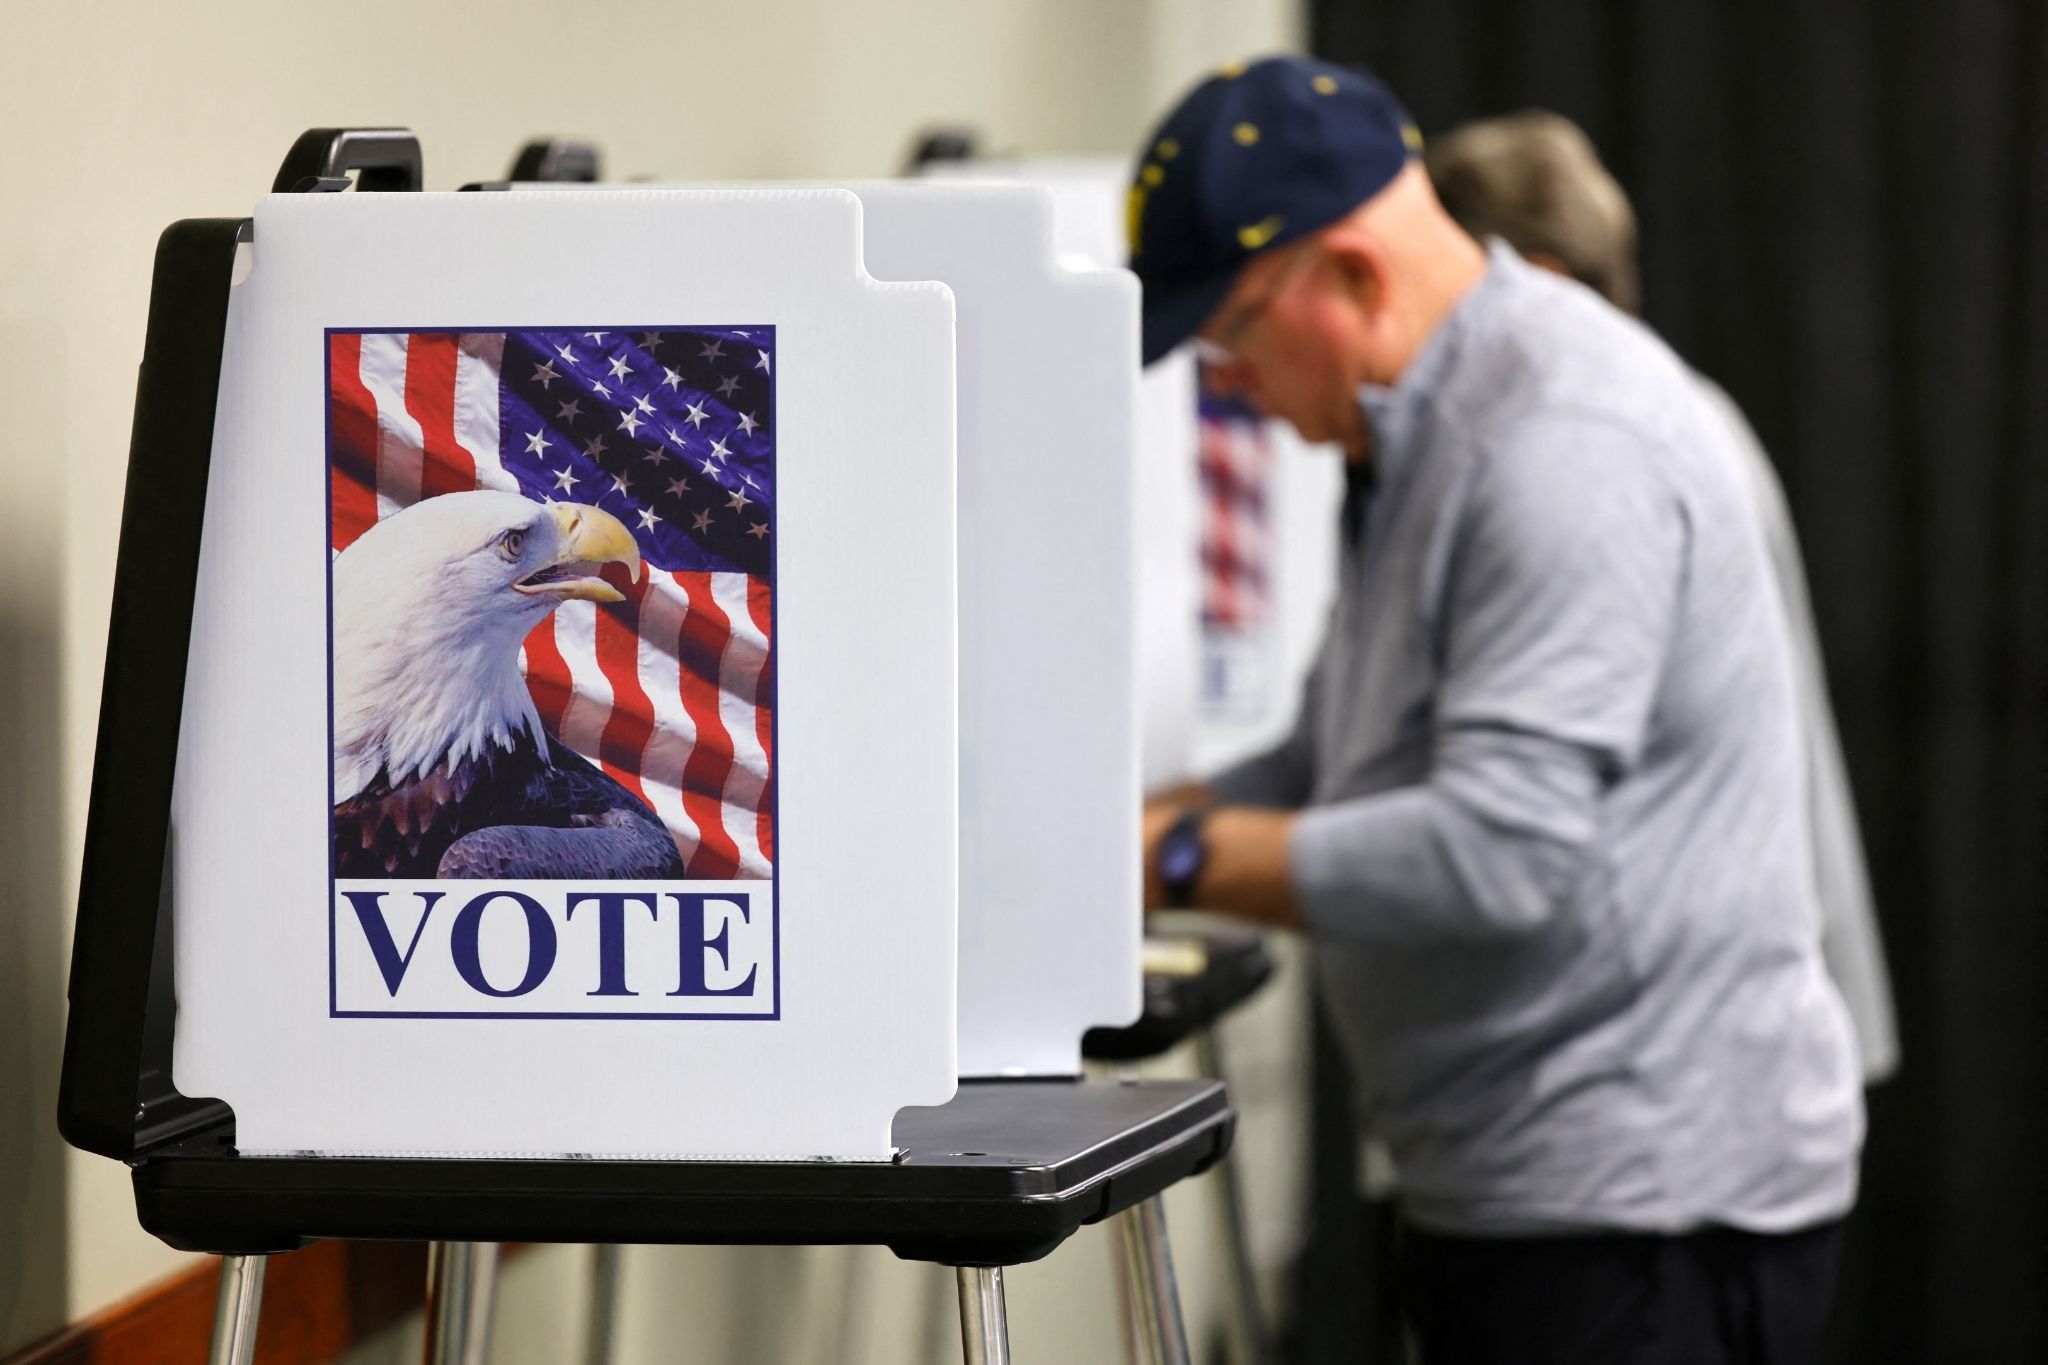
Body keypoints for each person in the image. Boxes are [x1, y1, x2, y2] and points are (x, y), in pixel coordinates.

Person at [1129, 57, 1863, 1363]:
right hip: (1518, 1186)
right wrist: (1139, 826)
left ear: (1350, 276)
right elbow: (1329, 754)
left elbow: (1499, 850)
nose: (1227, 384)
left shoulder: (1563, 442)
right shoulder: (1415, 435)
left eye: (1232, 333)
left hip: (1640, 1214)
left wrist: (1178, 857)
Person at [1423, 110, 1900, 1085]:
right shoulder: (1659, 418)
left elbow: (1515, 824)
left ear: (1537, 283)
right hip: (1697, 1052)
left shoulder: (1598, 451)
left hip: (1671, 1079)